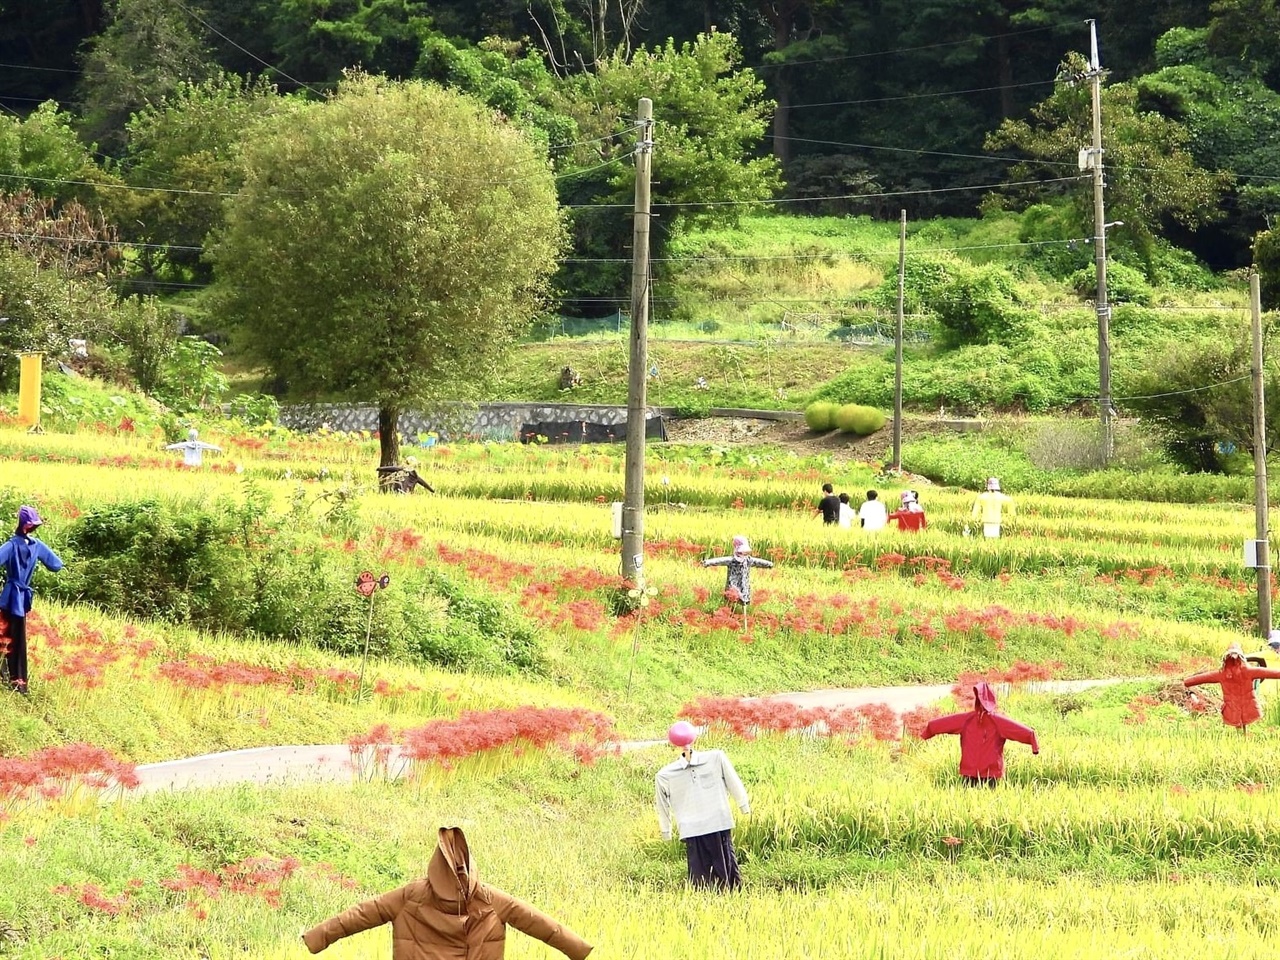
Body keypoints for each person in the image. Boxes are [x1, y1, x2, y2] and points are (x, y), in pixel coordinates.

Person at [301, 826, 592, 960]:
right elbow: (541, 924)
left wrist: (317, 937)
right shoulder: (491, 900)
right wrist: (576, 948)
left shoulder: (409, 896)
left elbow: (359, 914)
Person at [655, 721, 751, 889]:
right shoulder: (665, 775)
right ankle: (707, 906)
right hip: (692, 829)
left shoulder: (715, 758)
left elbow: (733, 781)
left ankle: (731, 903)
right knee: (700, 878)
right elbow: (661, 805)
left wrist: (743, 804)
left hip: (718, 823)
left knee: (726, 872)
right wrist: (666, 830)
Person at [921, 681, 1039, 786]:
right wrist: (928, 732)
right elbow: (941, 724)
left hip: (990, 773)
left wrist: (1034, 744)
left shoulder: (998, 721)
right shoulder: (967, 720)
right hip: (970, 772)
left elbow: (1022, 731)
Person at [0, 506, 64, 695]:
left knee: (4, 633)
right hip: (23, 597)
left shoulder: (11, 545)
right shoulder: (37, 545)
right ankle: (18, 681)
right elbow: (56, 565)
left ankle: (8, 676)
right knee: (17, 637)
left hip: (11, 594)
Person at [1184, 645, 1280, 732]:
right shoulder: (1249, 671)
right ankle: (1242, 739)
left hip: (1232, 707)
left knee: (1238, 724)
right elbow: (1269, 672)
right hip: (1248, 704)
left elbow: (1204, 677)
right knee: (1243, 723)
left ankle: (1240, 738)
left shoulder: (1222, 673)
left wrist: (1187, 681)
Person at [702, 536, 774, 605]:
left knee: (744, 601)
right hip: (733, 585)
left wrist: (769, 564)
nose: (744, 554)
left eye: (745, 552)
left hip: (744, 585)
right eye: (742, 552)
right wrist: (707, 562)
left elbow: (759, 562)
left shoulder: (748, 560)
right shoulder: (732, 560)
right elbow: (720, 561)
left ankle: (743, 615)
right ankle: (729, 613)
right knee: (731, 598)